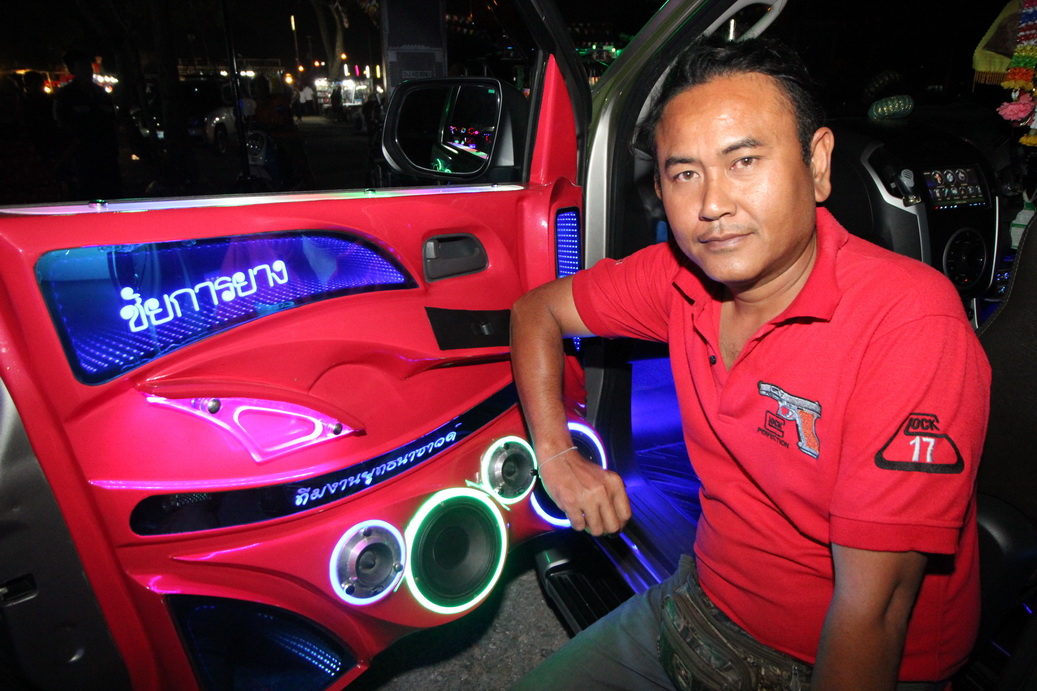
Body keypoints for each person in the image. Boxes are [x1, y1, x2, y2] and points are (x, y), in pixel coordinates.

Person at [510, 34, 990, 690]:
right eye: (684, 174)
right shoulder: (677, 278)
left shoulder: (907, 323)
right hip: (699, 599)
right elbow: (535, 312)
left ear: (817, 164)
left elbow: (873, 615)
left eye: (743, 161)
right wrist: (558, 455)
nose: (712, 205)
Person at [53, 48, 121, 200]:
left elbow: (113, 122)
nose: (88, 71)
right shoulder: (65, 96)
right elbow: (62, 127)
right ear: (72, 70)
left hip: (108, 157)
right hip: (83, 159)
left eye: (88, 67)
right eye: (82, 67)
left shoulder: (101, 94)